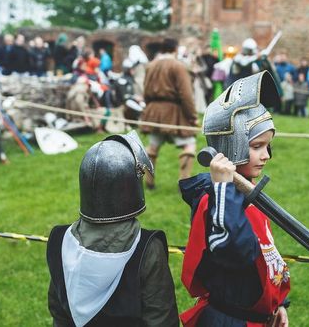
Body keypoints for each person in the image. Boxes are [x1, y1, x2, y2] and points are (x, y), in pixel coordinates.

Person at [179, 71, 290, 326]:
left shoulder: (248, 193)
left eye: (267, 146)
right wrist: (223, 189)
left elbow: (266, 250)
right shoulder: (215, 199)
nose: (266, 156)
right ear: (233, 145)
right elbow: (236, 252)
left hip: (258, 316)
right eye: (257, 146)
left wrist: (277, 303)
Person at [46, 131, 179, 327]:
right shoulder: (147, 248)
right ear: (131, 186)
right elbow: (161, 319)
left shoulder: (59, 240)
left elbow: (59, 310)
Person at [140, 38, 198, 187]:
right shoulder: (178, 66)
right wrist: (192, 117)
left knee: (153, 147)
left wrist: (150, 109)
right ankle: (184, 182)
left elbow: (145, 91)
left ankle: (149, 181)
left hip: (154, 110)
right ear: (175, 49)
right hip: (173, 111)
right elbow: (186, 94)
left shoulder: (151, 65)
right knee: (189, 145)